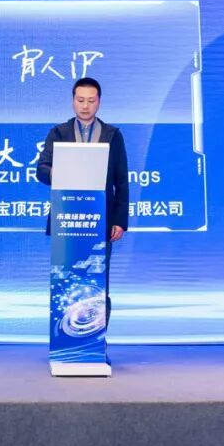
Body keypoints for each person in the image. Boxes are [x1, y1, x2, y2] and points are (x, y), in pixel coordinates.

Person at [36, 77, 129, 325]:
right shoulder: (58, 133)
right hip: (67, 218)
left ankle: (96, 335)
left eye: (91, 100)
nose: (85, 106)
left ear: (99, 102)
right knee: (67, 278)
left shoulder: (112, 135)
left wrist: (119, 220)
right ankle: (66, 334)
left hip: (101, 218)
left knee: (98, 279)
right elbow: (41, 170)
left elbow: (121, 181)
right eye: (80, 100)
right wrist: (61, 171)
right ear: (72, 101)